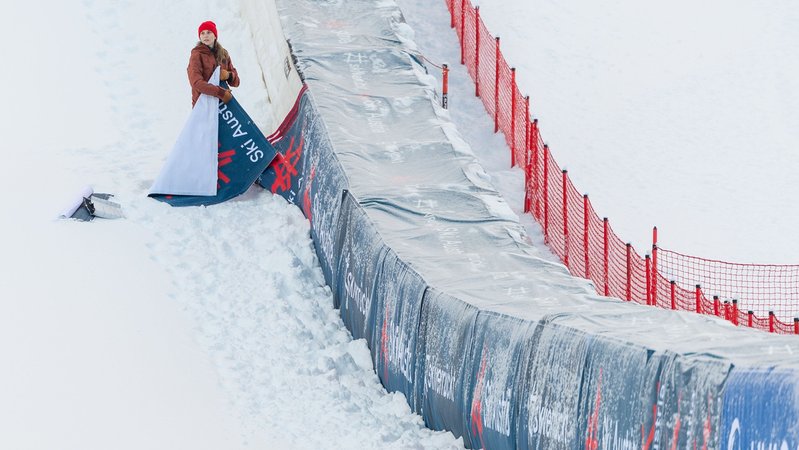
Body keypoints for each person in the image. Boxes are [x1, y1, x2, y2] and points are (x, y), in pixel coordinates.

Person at [188, 20, 240, 107]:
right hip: (203, 105)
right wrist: (220, 92)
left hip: (222, 106)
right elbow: (196, 83)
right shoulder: (196, 55)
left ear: (215, 35)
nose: (205, 36)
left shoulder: (223, 54)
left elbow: (236, 82)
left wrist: (228, 75)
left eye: (209, 32)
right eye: (202, 33)